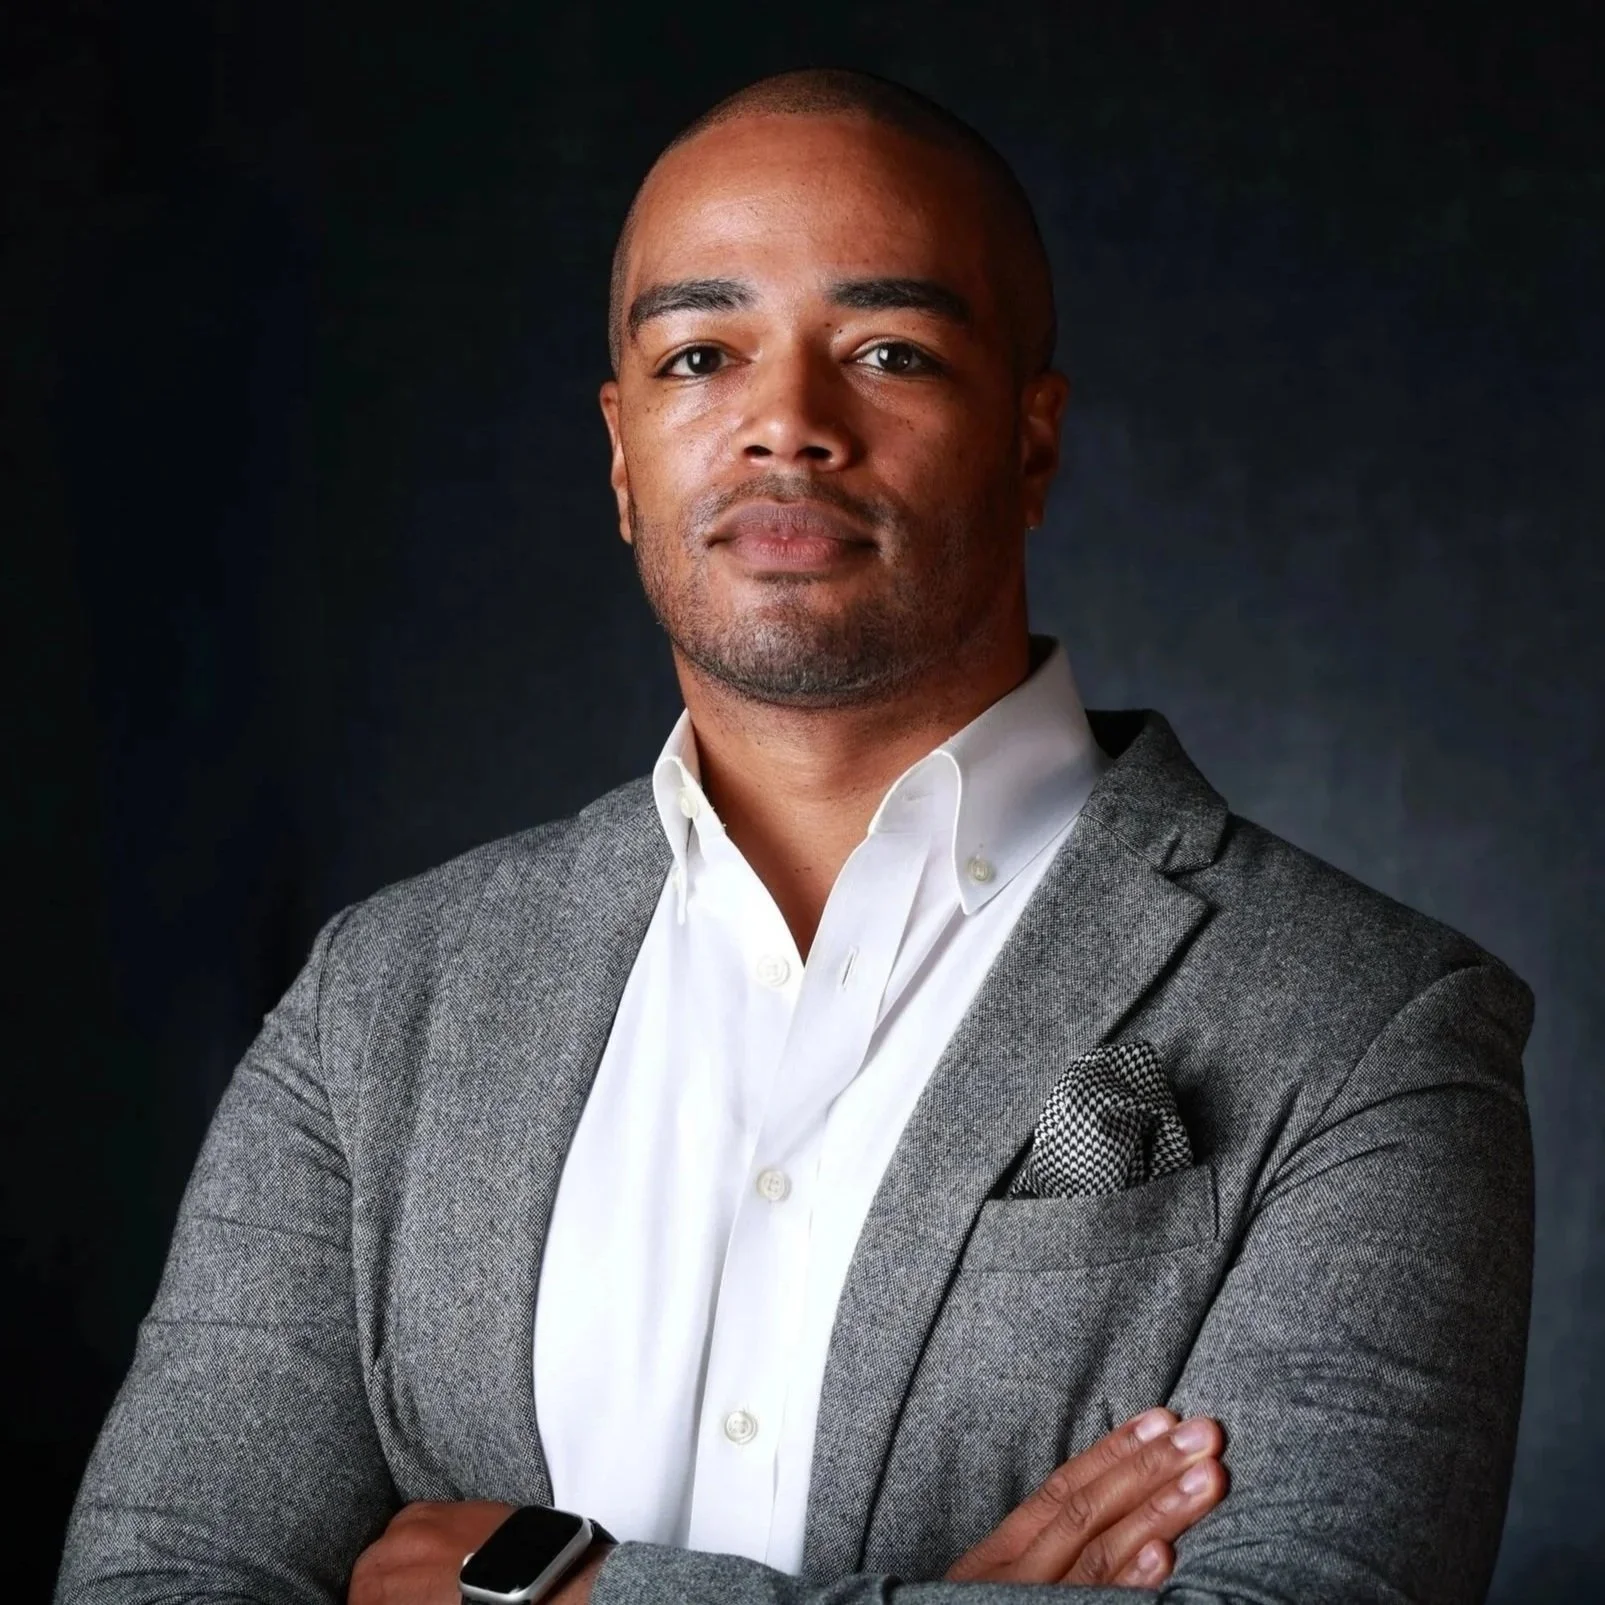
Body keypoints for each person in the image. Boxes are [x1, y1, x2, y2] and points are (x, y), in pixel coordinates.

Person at [55, 67, 1536, 1605]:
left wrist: (554, 1592)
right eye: (702, 355)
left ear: (1032, 443)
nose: (786, 424)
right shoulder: (384, 1002)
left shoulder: (1374, 1027)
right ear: (624, 454)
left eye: (889, 350)